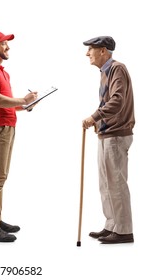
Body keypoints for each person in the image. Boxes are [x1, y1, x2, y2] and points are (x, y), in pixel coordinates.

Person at [0, 31, 38, 242]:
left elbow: (7, 102)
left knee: (1, 177)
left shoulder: (1, 71)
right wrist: (22, 98)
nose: (8, 48)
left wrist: (25, 105)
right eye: (3, 45)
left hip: (8, 126)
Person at [82, 36, 135, 244]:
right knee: (105, 183)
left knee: (116, 183)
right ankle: (111, 225)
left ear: (103, 51)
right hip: (106, 133)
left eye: (91, 50)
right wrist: (99, 123)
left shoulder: (117, 69)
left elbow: (117, 100)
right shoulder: (105, 72)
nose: (87, 54)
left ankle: (123, 230)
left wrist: (94, 116)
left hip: (117, 134)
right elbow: (110, 101)